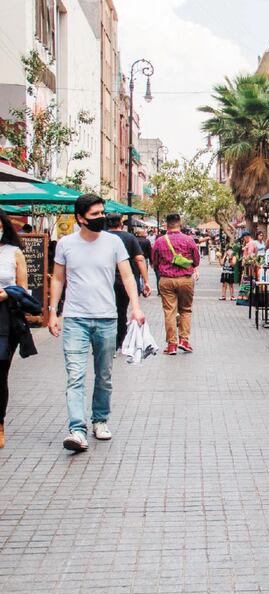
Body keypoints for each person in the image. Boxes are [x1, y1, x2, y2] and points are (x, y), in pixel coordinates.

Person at [48, 194, 145, 452]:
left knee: (104, 375)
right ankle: (77, 430)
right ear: (80, 218)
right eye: (95, 214)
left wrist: (135, 307)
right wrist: (53, 312)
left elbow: (127, 276)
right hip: (75, 319)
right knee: (75, 376)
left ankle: (100, 420)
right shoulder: (66, 244)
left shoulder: (114, 242)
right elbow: (58, 279)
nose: (101, 217)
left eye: (102, 212)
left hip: (106, 318)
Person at [152, 213, 200, 356]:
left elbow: (154, 261)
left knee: (169, 312)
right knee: (186, 310)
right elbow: (196, 260)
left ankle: (171, 345)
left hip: (166, 279)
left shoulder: (160, 241)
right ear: (180, 223)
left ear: (166, 224)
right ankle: (184, 341)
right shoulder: (189, 240)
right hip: (185, 279)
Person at [0, 211, 28, 448]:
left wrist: (6, 294)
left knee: (0, 373)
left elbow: (23, 290)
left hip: (5, 318)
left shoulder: (14, 252)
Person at [106, 214, 151, 351]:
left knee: (106, 310)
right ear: (121, 223)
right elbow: (139, 259)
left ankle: (108, 340)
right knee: (121, 310)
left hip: (105, 280)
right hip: (123, 280)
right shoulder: (129, 237)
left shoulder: (102, 237)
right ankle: (120, 340)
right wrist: (146, 281)